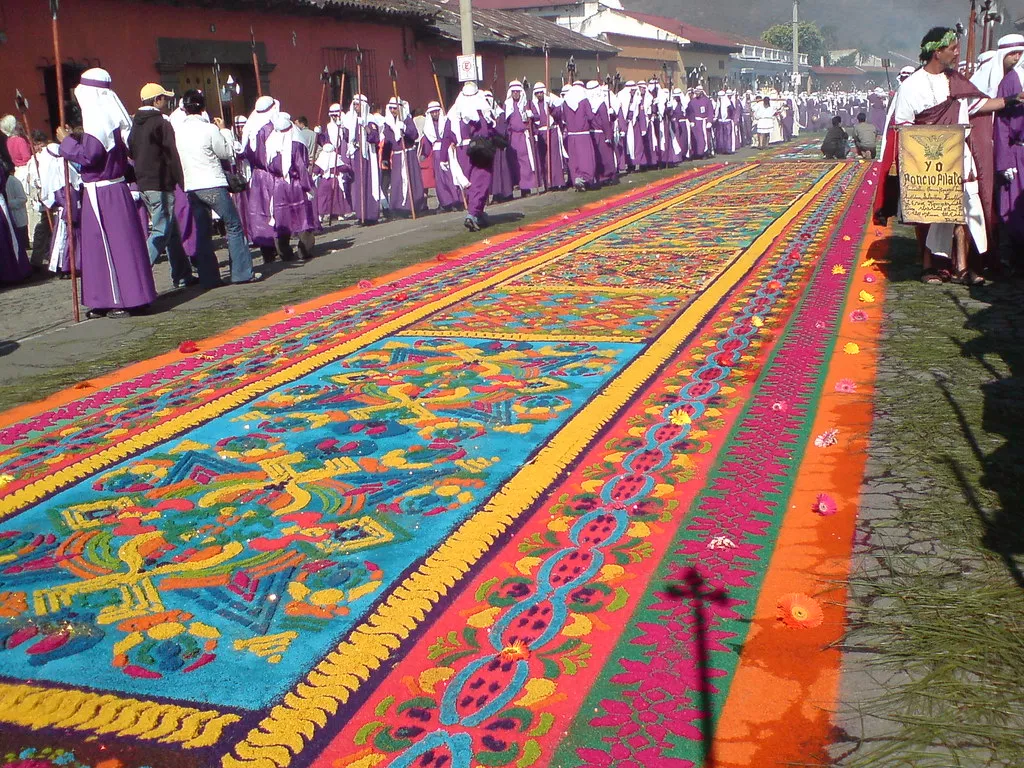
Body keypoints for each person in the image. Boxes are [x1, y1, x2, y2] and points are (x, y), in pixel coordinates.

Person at [890, 26, 1023, 285]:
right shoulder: (912, 86)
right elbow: (904, 125)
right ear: (937, 51)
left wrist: (1011, 100)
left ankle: (964, 266)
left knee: (965, 210)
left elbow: (979, 104)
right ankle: (929, 267)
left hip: (960, 156)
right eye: (952, 48)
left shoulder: (956, 80)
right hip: (928, 161)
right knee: (931, 212)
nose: (956, 52)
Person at [57, 68, 156, 318]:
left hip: (103, 192)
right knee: (111, 246)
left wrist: (66, 142)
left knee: (110, 246)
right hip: (112, 190)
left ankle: (120, 298)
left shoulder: (98, 121)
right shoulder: (112, 119)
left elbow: (91, 156)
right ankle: (112, 297)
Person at [174, 89, 260, 284]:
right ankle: (242, 272)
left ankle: (208, 277)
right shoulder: (209, 129)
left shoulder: (178, 131)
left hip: (192, 186)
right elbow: (224, 152)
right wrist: (225, 132)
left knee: (203, 231)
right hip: (212, 182)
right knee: (234, 226)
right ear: (203, 107)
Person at [129, 82, 198, 289]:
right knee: (160, 231)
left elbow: (131, 151)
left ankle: (182, 274)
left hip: (144, 183)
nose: (167, 102)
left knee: (171, 231)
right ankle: (137, 275)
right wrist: (181, 181)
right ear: (157, 100)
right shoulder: (161, 123)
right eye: (164, 98)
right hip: (160, 183)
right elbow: (171, 155)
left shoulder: (136, 124)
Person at [442, 82, 497, 231]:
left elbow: (447, 134)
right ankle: (472, 214)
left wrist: (443, 156)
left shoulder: (454, 111)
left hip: (461, 150)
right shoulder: (480, 109)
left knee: (470, 183)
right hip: (478, 149)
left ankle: (478, 212)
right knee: (481, 181)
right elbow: (487, 129)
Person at [264, 111, 317, 260]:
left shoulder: (271, 142)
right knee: (302, 216)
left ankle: (284, 251)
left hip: (278, 185)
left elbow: (268, 166)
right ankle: (304, 249)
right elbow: (301, 165)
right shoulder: (296, 143)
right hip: (295, 184)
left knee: (281, 218)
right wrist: (308, 185)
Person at [993, 34, 1024, 266]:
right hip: (1019, 154)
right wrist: (1005, 162)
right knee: (1015, 210)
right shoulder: (1012, 80)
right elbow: (1002, 125)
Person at [382, 98, 426, 215]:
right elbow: (387, 142)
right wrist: (385, 158)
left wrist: (405, 129)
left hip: (408, 154)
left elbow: (415, 134)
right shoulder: (388, 123)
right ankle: (398, 207)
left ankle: (413, 205)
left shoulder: (407, 120)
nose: (392, 111)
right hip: (397, 156)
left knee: (411, 180)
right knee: (397, 181)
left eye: (395, 108)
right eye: (390, 108)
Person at [421, 101, 464, 211]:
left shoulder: (446, 122)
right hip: (436, 153)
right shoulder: (428, 127)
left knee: (450, 176)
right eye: (432, 112)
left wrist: (453, 142)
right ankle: (445, 202)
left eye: (436, 111)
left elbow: (452, 135)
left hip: (447, 151)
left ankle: (456, 200)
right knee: (440, 179)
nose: (435, 114)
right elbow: (427, 143)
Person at [314, 103, 352, 222]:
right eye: (333, 116)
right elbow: (324, 143)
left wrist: (344, 130)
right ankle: (332, 212)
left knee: (344, 186)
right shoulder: (329, 128)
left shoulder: (346, 125)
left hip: (344, 156)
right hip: (331, 158)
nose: (335, 118)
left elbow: (349, 138)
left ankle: (345, 209)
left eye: (337, 115)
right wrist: (319, 134)